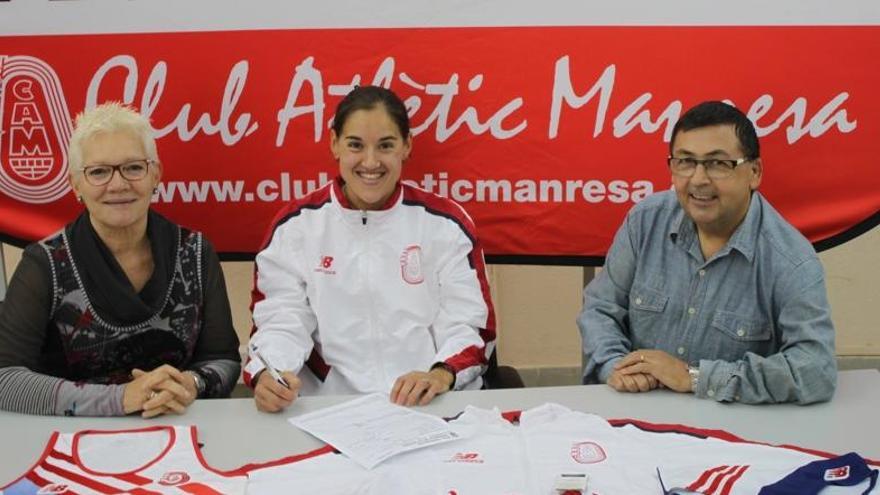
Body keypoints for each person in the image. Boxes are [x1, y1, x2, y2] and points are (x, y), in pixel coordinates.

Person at [246, 86, 496, 412]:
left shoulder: (445, 224)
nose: (370, 161)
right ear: (334, 144)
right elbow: (282, 321)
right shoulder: (296, 228)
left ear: (406, 146)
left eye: (386, 146)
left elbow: (470, 326)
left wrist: (441, 374)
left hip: (429, 406)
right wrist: (271, 373)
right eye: (355, 145)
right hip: (328, 410)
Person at [577, 101, 836, 404]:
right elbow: (600, 309)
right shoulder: (645, 221)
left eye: (717, 164)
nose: (699, 179)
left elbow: (816, 369)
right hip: (637, 413)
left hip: (729, 427)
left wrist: (694, 377)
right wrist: (617, 368)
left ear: (754, 172)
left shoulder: (790, 259)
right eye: (685, 162)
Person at [0, 102, 241, 417]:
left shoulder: (195, 252)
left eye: (133, 167)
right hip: (71, 441)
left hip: (178, 430)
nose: (118, 184)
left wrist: (190, 383)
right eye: (98, 171)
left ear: (155, 174)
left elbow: (224, 361)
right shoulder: (45, 264)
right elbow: (6, 380)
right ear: (76, 184)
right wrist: (121, 398)